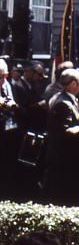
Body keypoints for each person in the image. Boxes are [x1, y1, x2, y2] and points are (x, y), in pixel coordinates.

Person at [45, 69, 79, 205]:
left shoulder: (65, 98)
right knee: (64, 194)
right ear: (74, 83)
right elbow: (66, 132)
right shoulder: (63, 103)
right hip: (63, 156)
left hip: (64, 154)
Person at [0, 58, 21, 199]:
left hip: (8, 130)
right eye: (0, 77)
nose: (3, 80)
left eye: (4, 76)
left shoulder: (7, 84)